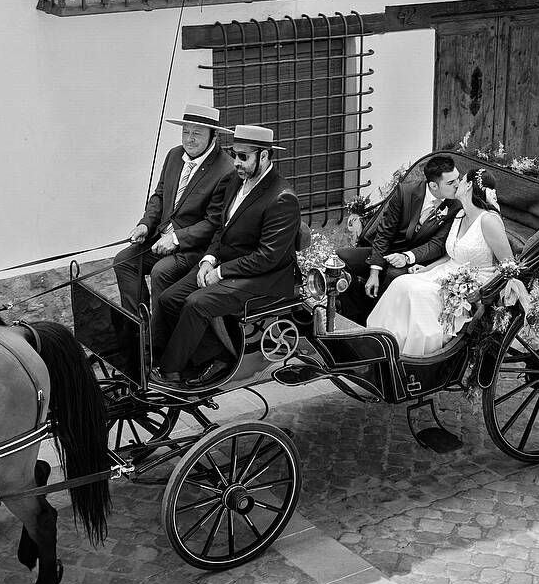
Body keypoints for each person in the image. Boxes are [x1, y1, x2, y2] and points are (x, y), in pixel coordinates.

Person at [152, 124, 301, 386]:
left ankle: (170, 371)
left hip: (267, 278)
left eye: (243, 157)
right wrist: (208, 261)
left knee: (197, 303)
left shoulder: (282, 198)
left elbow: (267, 257)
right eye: (234, 154)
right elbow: (221, 230)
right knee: (169, 298)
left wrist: (220, 272)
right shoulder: (235, 181)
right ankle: (216, 356)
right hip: (228, 264)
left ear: (264, 156)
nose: (236, 162)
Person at [368, 167, 516, 358]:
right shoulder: (460, 215)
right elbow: (451, 254)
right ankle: (383, 348)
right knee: (401, 283)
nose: (457, 184)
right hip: (447, 271)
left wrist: (481, 291)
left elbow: (508, 265)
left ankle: (415, 355)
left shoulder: (488, 221)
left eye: (461, 180)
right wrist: (426, 269)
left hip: (474, 283)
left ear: (469, 185)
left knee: (416, 292)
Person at [113, 103, 235, 316]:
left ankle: (162, 337)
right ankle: (139, 330)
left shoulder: (226, 170)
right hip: (160, 239)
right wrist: (145, 224)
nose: (189, 138)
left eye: (197, 133)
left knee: (161, 272)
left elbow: (214, 222)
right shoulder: (174, 155)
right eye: (185, 132)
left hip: (194, 249)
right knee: (124, 261)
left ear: (213, 136)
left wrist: (176, 239)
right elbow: (159, 196)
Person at [336, 154, 461, 324]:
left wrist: (406, 257)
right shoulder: (405, 193)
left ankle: (372, 322)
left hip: (418, 261)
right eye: (451, 182)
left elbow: (437, 245)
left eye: (458, 179)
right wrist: (374, 271)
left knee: (394, 275)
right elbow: (384, 233)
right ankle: (353, 315)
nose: (457, 185)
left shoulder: (455, 205)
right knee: (344, 258)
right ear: (433, 185)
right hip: (389, 252)